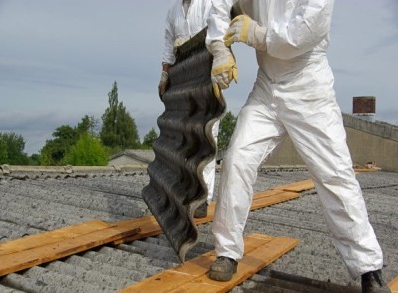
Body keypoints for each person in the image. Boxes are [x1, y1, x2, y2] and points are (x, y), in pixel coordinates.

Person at [205, 1, 391, 292]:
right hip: (267, 87)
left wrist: (257, 35)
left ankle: (369, 268)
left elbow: (302, 34)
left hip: (309, 87)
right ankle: (227, 251)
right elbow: (219, 5)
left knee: (335, 175)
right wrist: (219, 49)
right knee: (236, 159)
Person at [159, 0, 218, 218]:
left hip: (207, 74)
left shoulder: (209, 3)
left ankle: (204, 197)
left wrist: (193, 43)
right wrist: (165, 74)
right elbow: (168, 45)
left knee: (207, 137)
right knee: (185, 138)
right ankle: (185, 192)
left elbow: (220, 31)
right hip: (183, 78)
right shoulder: (174, 11)